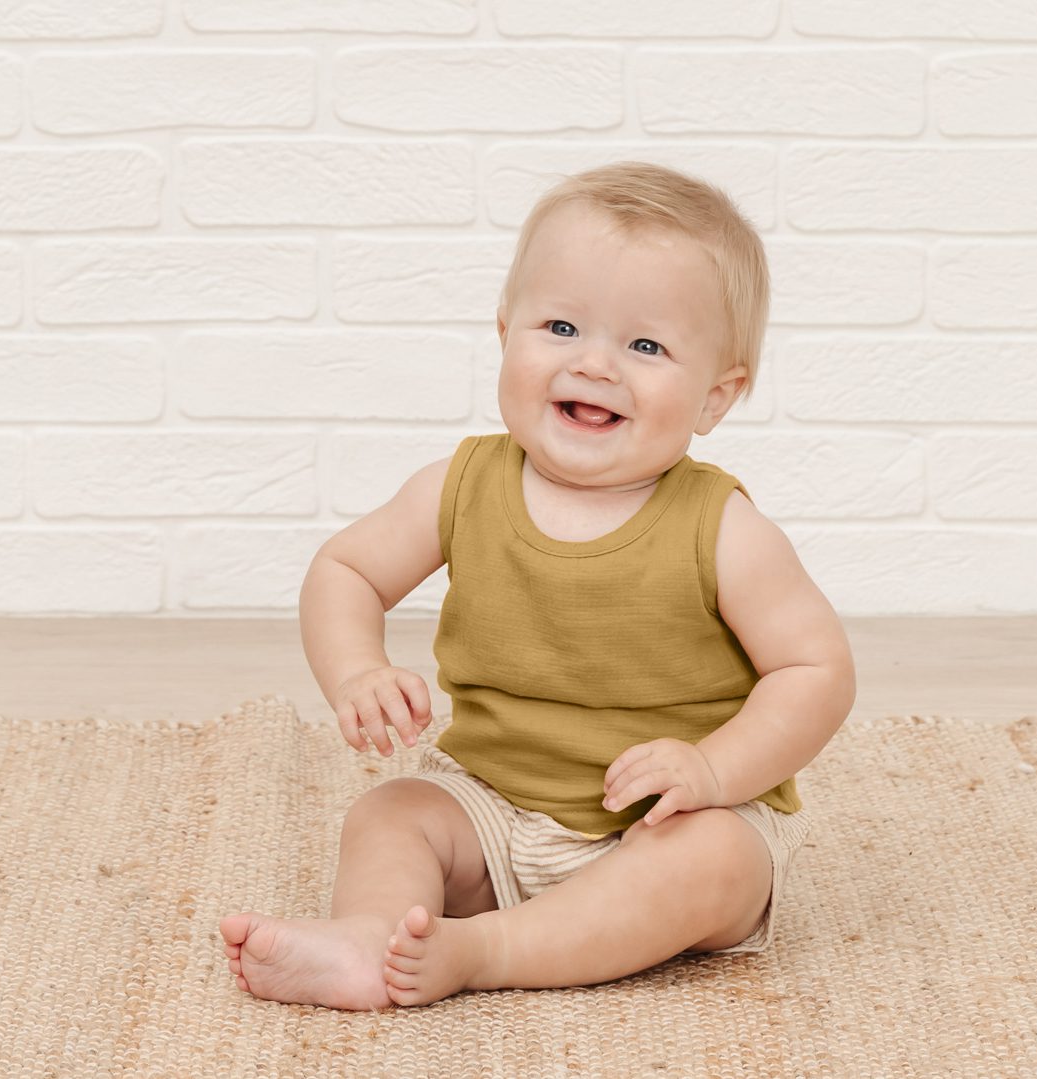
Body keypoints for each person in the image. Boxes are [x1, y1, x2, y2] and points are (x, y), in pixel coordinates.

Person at [220, 162, 856, 1010]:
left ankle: (482, 951)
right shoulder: (462, 483)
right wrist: (357, 670)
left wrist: (712, 770)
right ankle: (367, 944)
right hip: (495, 804)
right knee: (392, 811)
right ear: (504, 333)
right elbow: (347, 569)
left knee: (717, 862)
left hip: (658, 825)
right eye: (560, 326)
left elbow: (816, 671)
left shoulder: (722, 529)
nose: (593, 364)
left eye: (644, 345)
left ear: (716, 395)